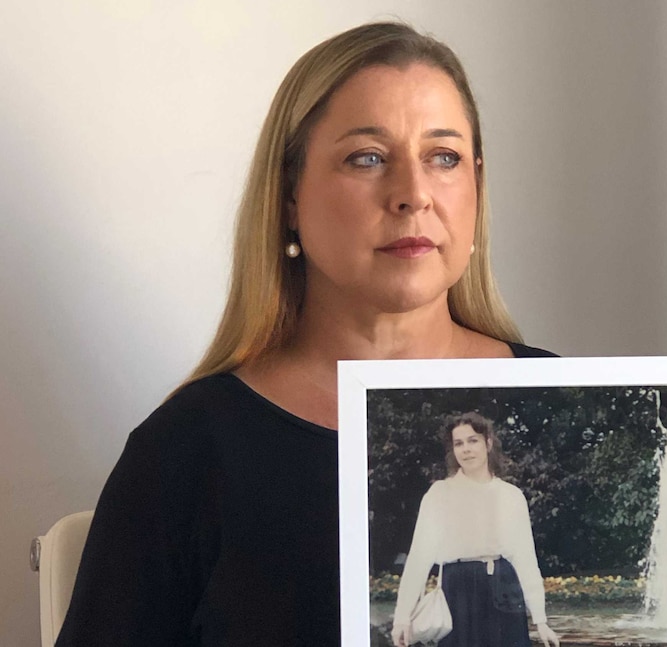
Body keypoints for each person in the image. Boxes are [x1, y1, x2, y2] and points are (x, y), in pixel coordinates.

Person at [55, 21, 555, 646]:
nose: (413, 194)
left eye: (444, 157)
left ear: (476, 186)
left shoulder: (556, 391)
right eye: (367, 158)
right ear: (289, 196)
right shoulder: (186, 452)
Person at [391, 413, 559, 647]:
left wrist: (540, 620)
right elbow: (419, 558)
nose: (466, 449)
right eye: (458, 443)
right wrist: (402, 618)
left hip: (503, 588)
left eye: (473, 440)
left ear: (488, 443)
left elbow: (525, 558)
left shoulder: (511, 496)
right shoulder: (440, 494)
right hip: (457, 592)